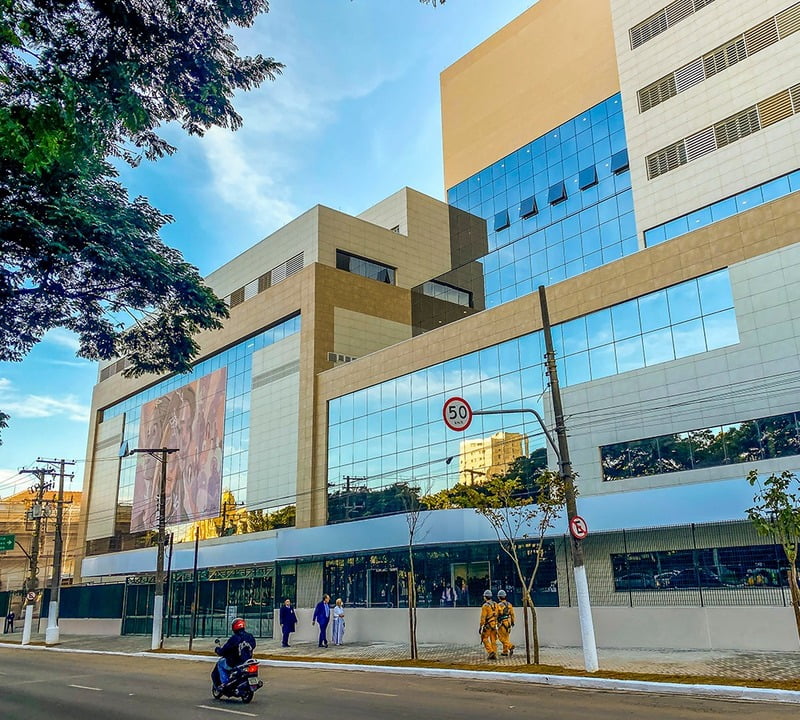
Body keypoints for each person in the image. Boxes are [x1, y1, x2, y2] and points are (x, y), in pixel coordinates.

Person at [213, 617, 256, 688]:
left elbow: (224, 650)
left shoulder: (234, 638)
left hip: (234, 662)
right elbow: (253, 645)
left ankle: (225, 683)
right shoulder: (250, 636)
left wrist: (218, 650)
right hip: (246, 661)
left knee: (220, 663)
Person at [478, 589, 498, 660]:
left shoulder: (485, 606)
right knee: (493, 639)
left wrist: (481, 626)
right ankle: (494, 653)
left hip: (488, 625)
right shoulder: (495, 604)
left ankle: (491, 652)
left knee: (484, 638)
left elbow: (483, 617)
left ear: (485, 597)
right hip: (494, 624)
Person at [496, 589, 516, 656]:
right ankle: (505, 651)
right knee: (506, 637)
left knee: (500, 637)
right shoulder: (509, 604)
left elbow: (496, 615)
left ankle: (510, 646)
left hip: (502, 623)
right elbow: (512, 614)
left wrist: (495, 622)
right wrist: (512, 622)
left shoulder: (499, 605)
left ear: (499, 597)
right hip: (508, 623)